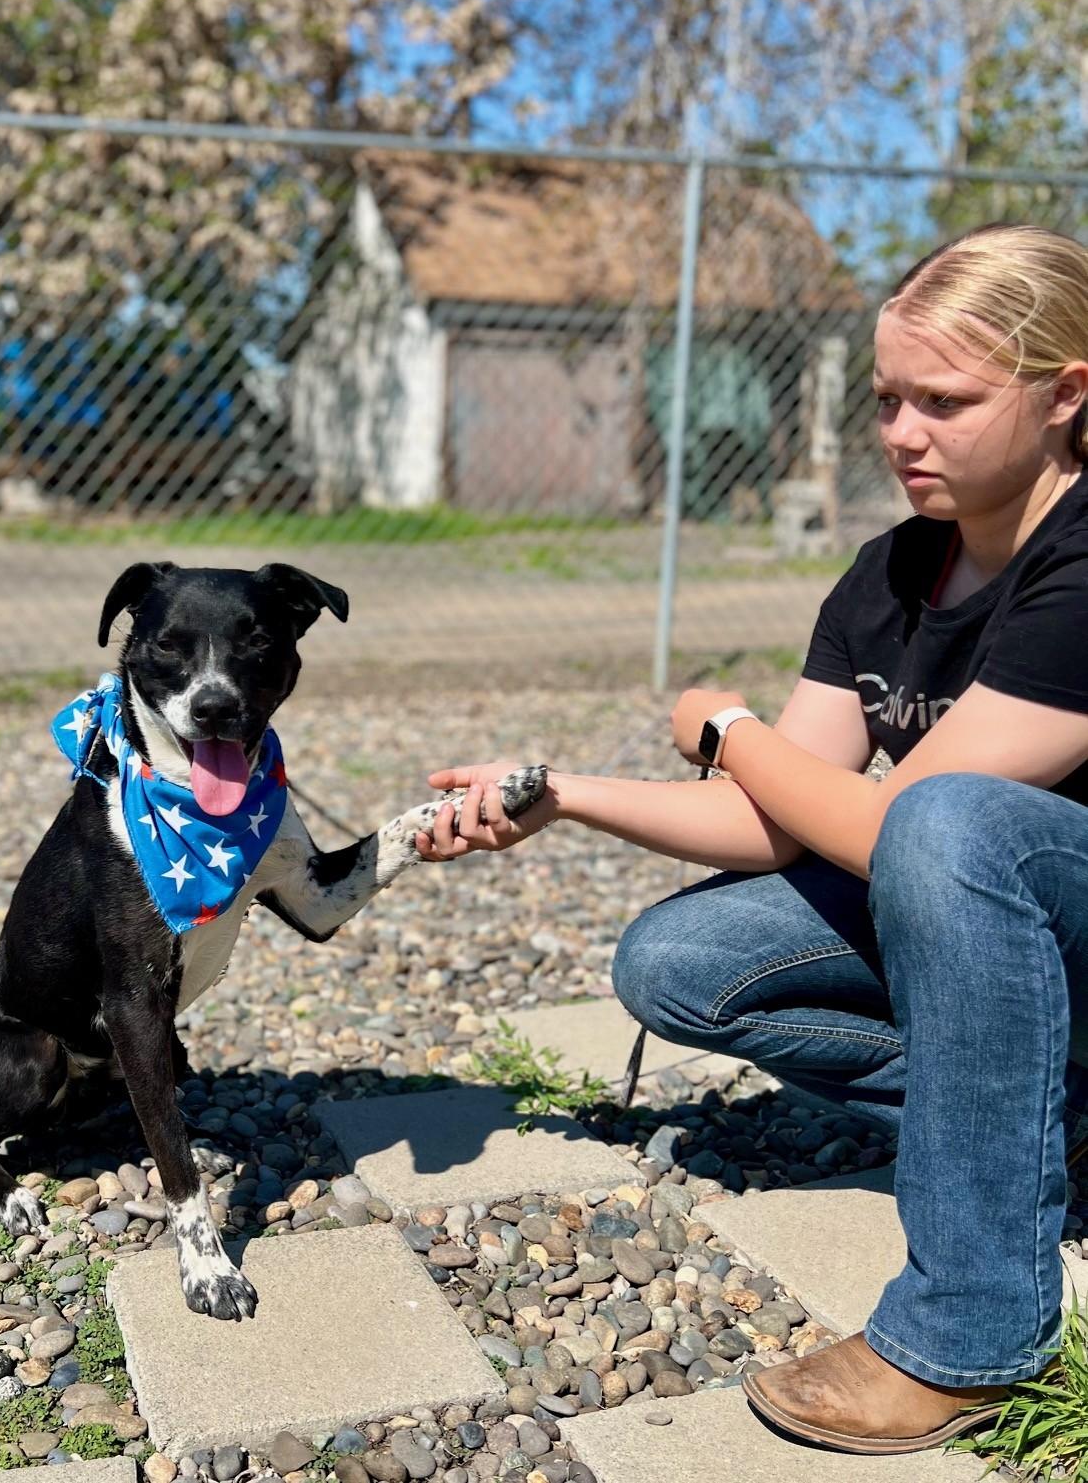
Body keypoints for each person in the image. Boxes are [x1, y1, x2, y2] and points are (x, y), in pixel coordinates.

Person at [413, 222, 1088, 1455]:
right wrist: (561, 794)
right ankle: (1046, 1123)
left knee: (946, 823)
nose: (899, 433)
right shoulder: (891, 572)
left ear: (1064, 396)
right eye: (886, 398)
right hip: (1018, 960)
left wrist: (724, 723)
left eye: (944, 400)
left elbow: (888, 824)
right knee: (678, 960)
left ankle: (972, 1332)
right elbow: (775, 819)